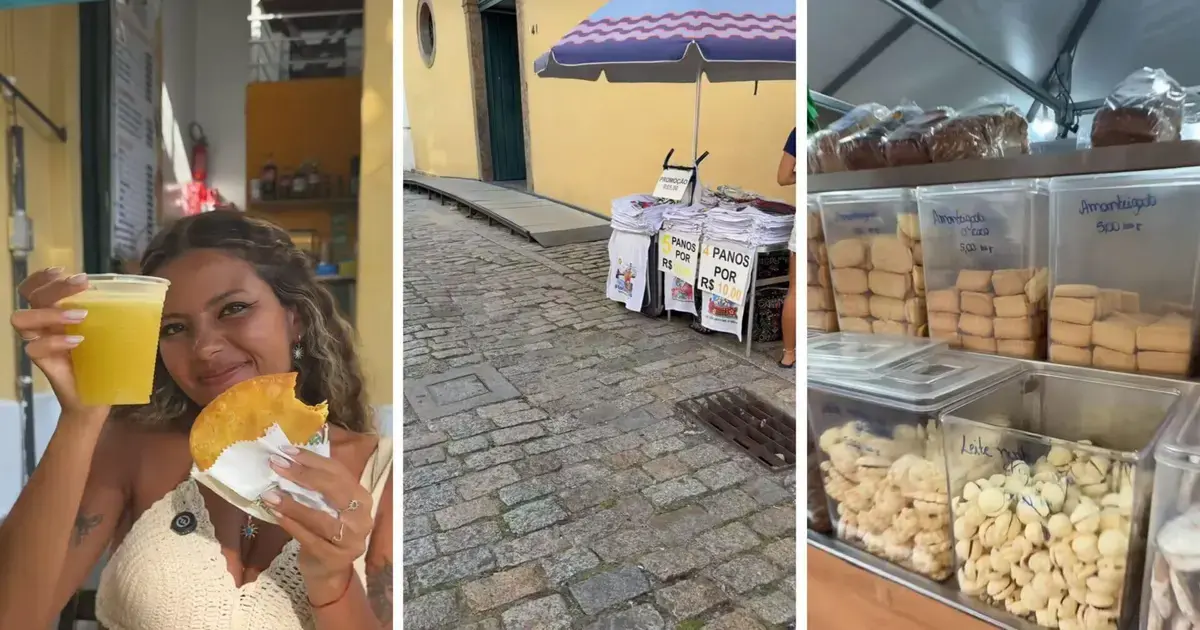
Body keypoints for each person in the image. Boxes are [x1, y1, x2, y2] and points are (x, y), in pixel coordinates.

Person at [0, 212, 393, 629]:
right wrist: (81, 416)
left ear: (294, 319)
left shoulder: (380, 473)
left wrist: (333, 582)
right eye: (173, 328)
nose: (204, 348)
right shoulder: (131, 448)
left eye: (234, 309)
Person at [779, 127, 798, 367]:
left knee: (796, 290)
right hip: (838, 213)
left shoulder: (798, 132)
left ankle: (789, 354)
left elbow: (783, 177)